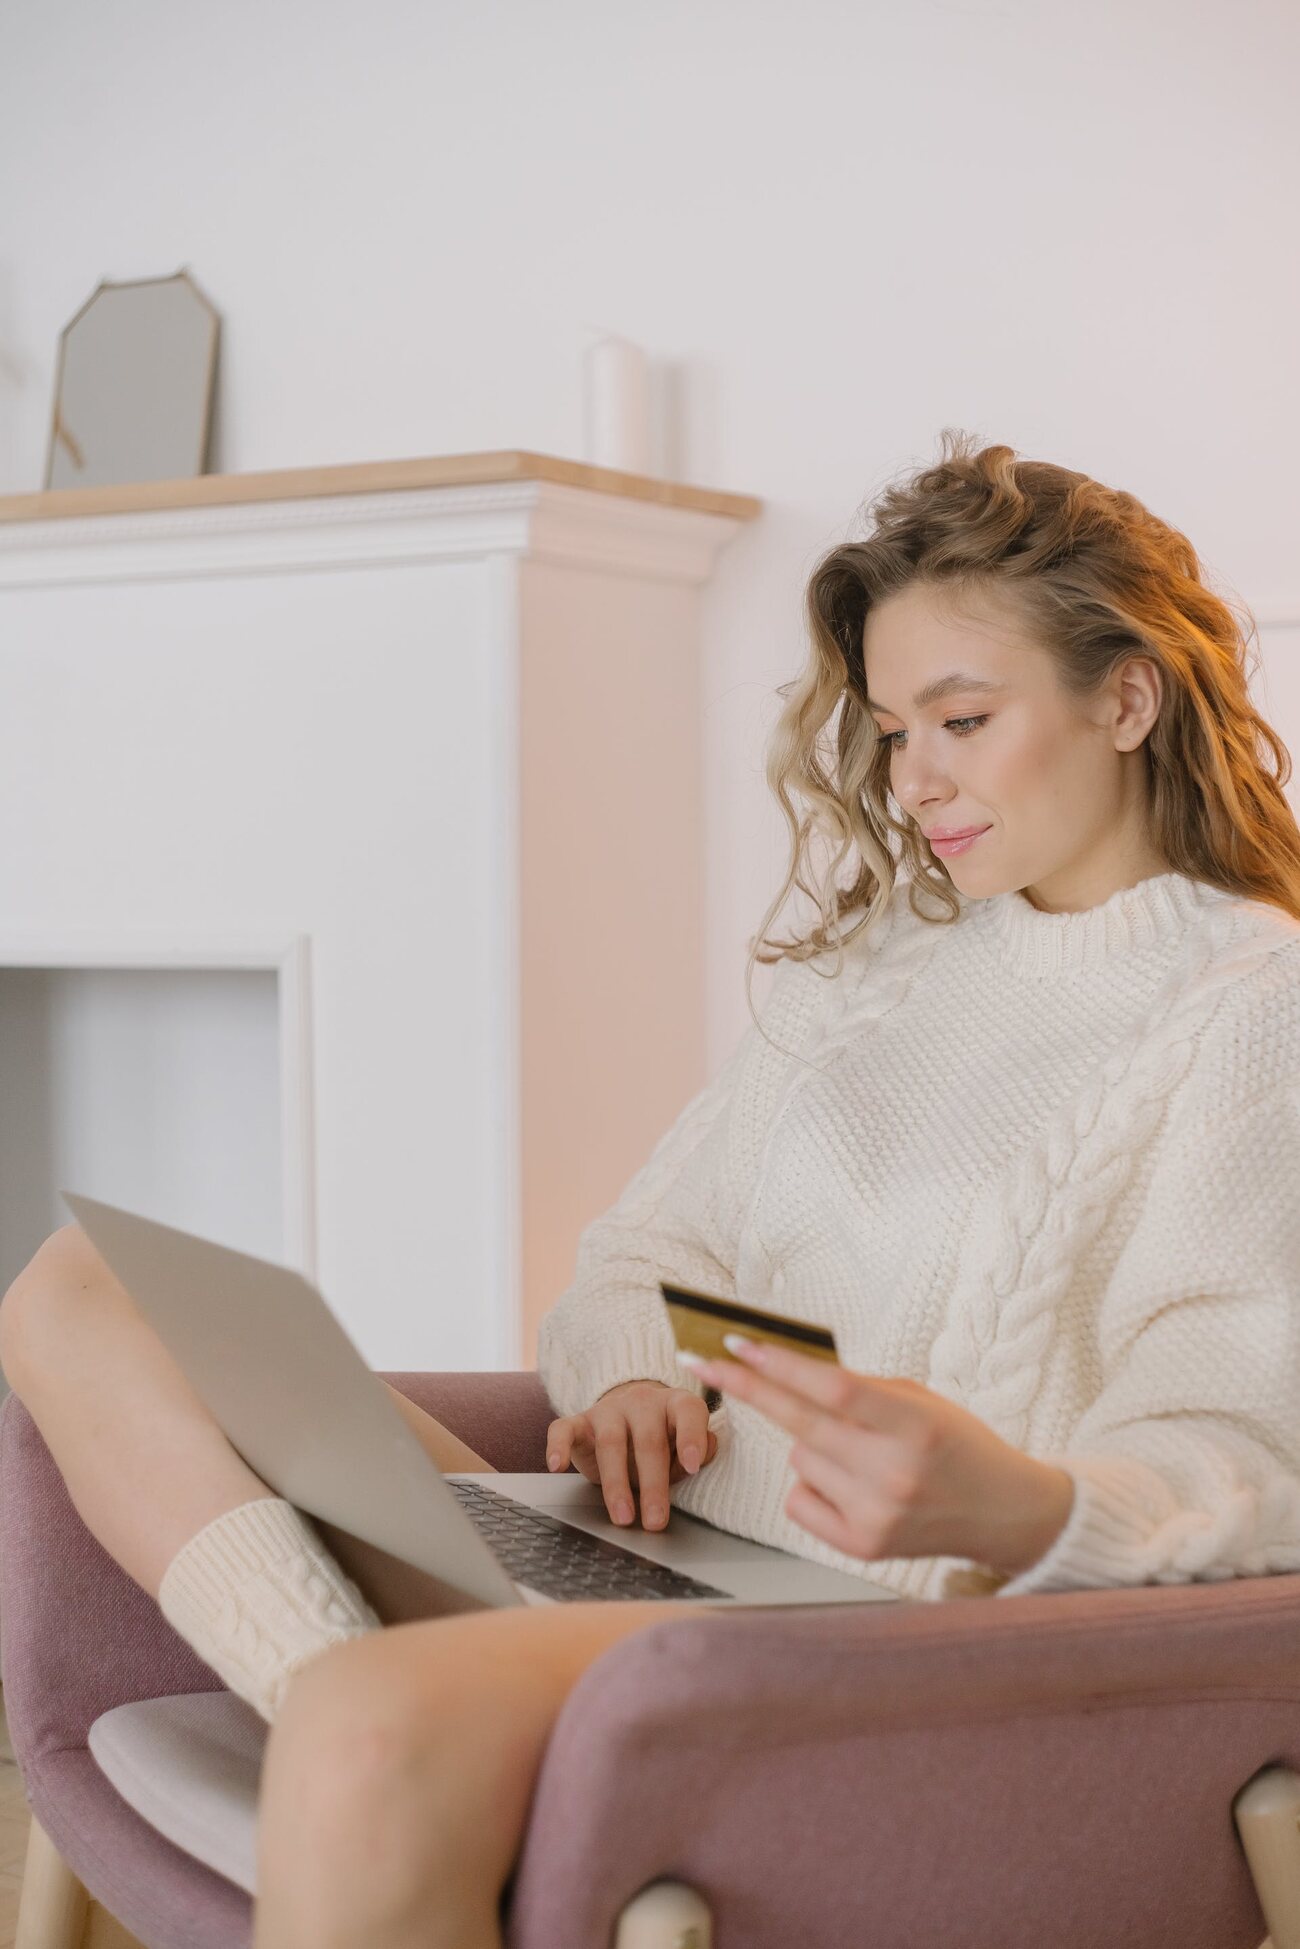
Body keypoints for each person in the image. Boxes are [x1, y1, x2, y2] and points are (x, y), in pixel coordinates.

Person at [4, 429, 1299, 1947]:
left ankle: (390, 1735)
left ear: (1126, 696)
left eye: (962, 716)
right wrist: (629, 1375)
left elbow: (1244, 1452)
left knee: (372, 1715)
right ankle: (418, 1723)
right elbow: (639, 1250)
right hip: (634, 1552)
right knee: (78, 1287)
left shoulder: (1247, 1002)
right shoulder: (885, 972)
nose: (917, 776)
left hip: (870, 1650)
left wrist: (1006, 1501)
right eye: (893, 729)